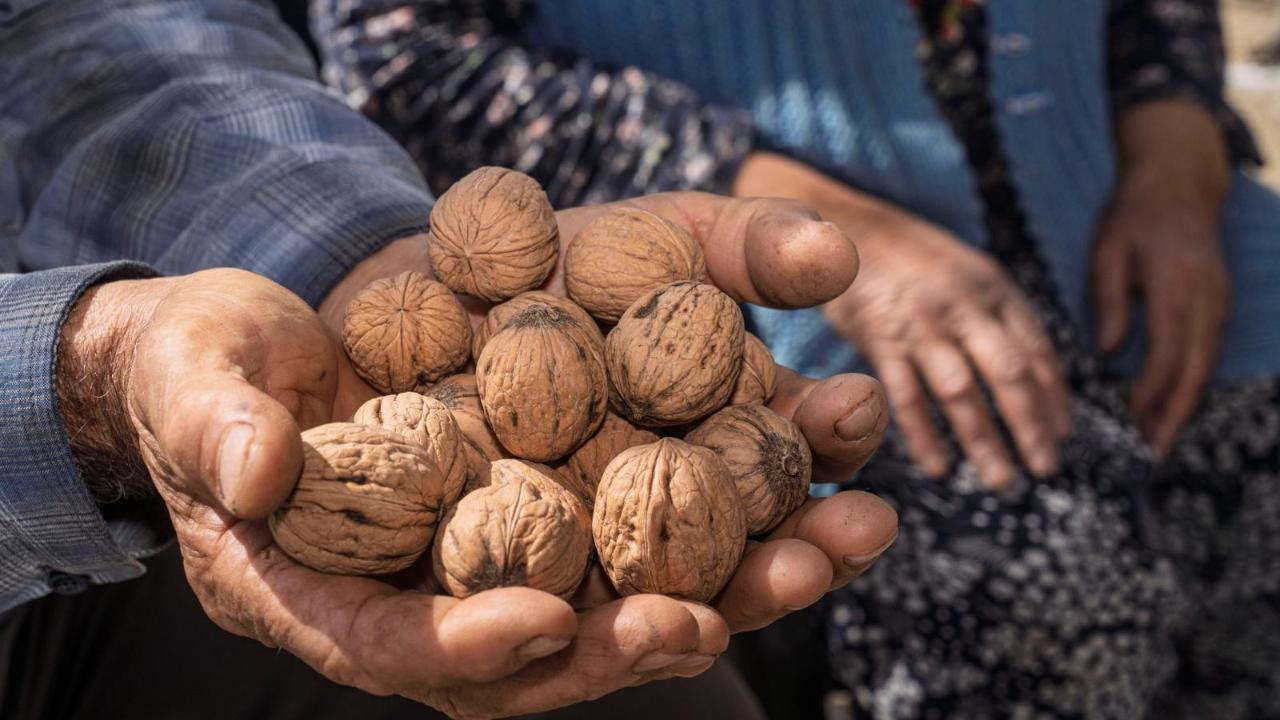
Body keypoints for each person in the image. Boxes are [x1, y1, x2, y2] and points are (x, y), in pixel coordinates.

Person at [309, 0, 1280, 716]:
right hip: (735, 290)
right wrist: (780, 212)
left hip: (1120, 202)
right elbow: (407, 62)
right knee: (1044, 594)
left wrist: (1173, 149)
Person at [0, 1, 901, 718]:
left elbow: (80, 35)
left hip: (101, 551)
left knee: (639, 688)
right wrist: (85, 377)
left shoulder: (527, 371)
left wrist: (336, 255)